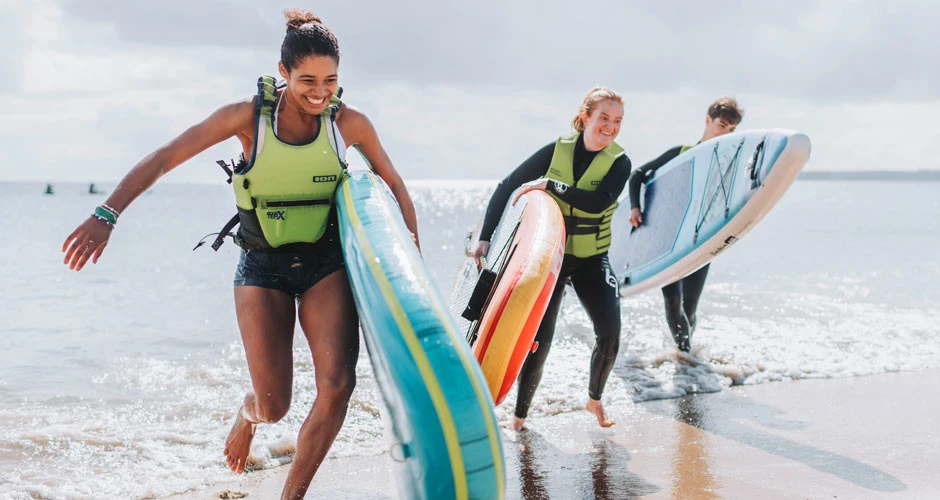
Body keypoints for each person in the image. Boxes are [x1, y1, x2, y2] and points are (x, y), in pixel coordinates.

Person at [61, 10, 419, 499]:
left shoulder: (348, 124)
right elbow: (168, 156)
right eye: (308, 80)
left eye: (331, 80)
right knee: (275, 406)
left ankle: (291, 495)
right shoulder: (247, 119)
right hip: (261, 266)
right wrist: (107, 214)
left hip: (326, 263)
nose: (320, 92)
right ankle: (248, 414)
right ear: (283, 71)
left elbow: (393, 183)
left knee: (337, 386)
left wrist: (410, 264)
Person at [473, 87, 631, 431]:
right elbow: (508, 186)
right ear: (585, 117)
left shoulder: (620, 163)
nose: (610, 126)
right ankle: (519, 418)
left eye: (617, 120)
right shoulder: (556, 150)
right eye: (603, 117)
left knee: (610, 331)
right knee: (538, 341)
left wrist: (552, 187)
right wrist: (486, 236)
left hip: (591, 259)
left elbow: (599, 202)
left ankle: (594, 399)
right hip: (552, 261)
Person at [626, 97, 743, 352]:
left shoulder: (726, 163)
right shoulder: (682, 154)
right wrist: (636, 207)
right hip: (670, 243)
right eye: (722, 125)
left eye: (731, 130)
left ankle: (685, 357)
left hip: (700, 243)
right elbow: (637, 175)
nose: (725, 133)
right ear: (708, 120)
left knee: (690, 308)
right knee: (673, 304)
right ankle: (687, 358)